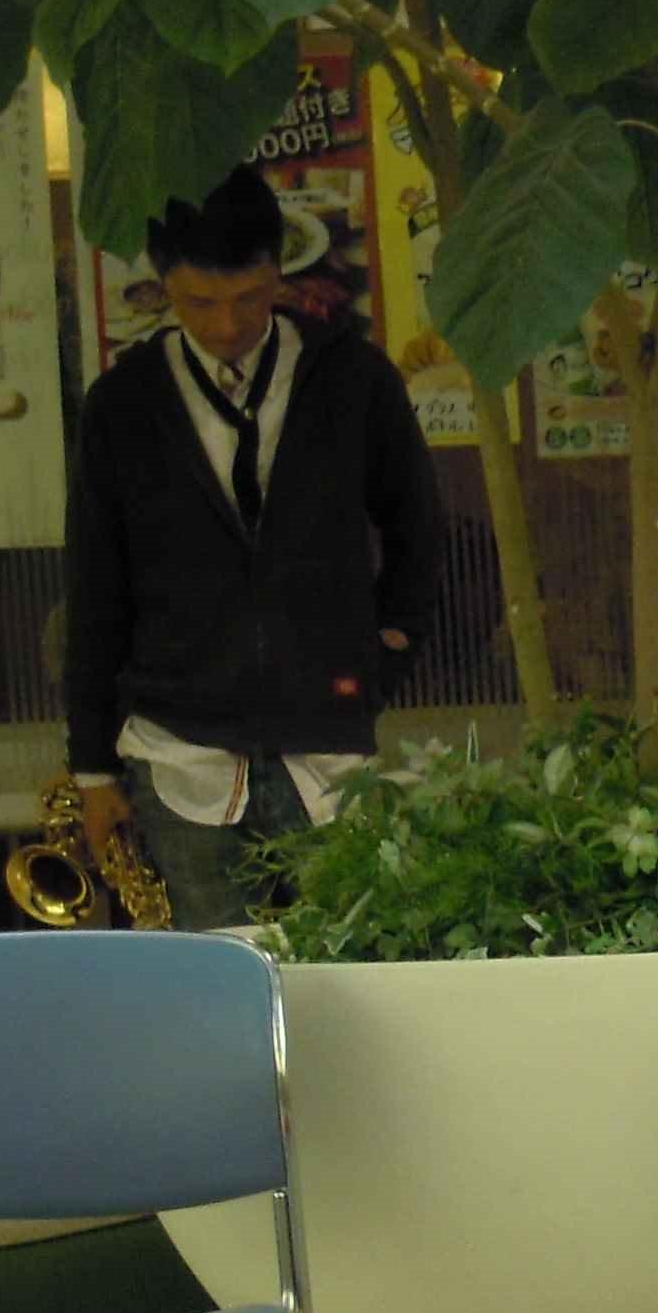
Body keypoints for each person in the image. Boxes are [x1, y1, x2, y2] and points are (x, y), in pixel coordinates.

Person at [61, 166, 440, 930]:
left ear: (277, 271)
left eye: (248, 297)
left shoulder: (353, 378)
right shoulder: (124, 404)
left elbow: (417, 528)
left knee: (348, 960)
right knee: (210, 977)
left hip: (326, 739)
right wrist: (93, 766)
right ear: (164, 282)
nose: (226, 323)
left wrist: (383, 654)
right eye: (199, 301)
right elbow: (96, 586)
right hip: (175, 744)